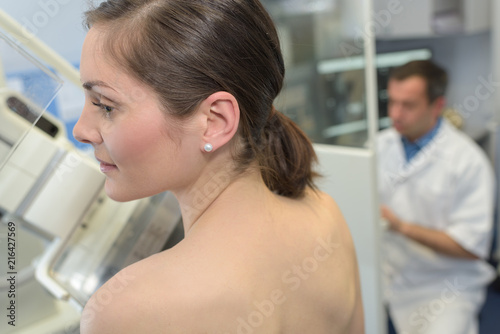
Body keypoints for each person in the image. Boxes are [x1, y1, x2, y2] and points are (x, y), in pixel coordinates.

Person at [73, 0, 364, 333]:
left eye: (106, 107)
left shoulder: (126, 310)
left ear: (214, 121)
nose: (80, 129)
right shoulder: (326, 217)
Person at [377, 60, 496, 334]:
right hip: (389, 274)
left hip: (445, 284)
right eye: (392, 102)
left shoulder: (468, 162)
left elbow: (470, 247)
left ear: (437, 105)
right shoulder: (380, 145)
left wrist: (402, 227)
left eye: (408, 105)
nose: (395, 113)